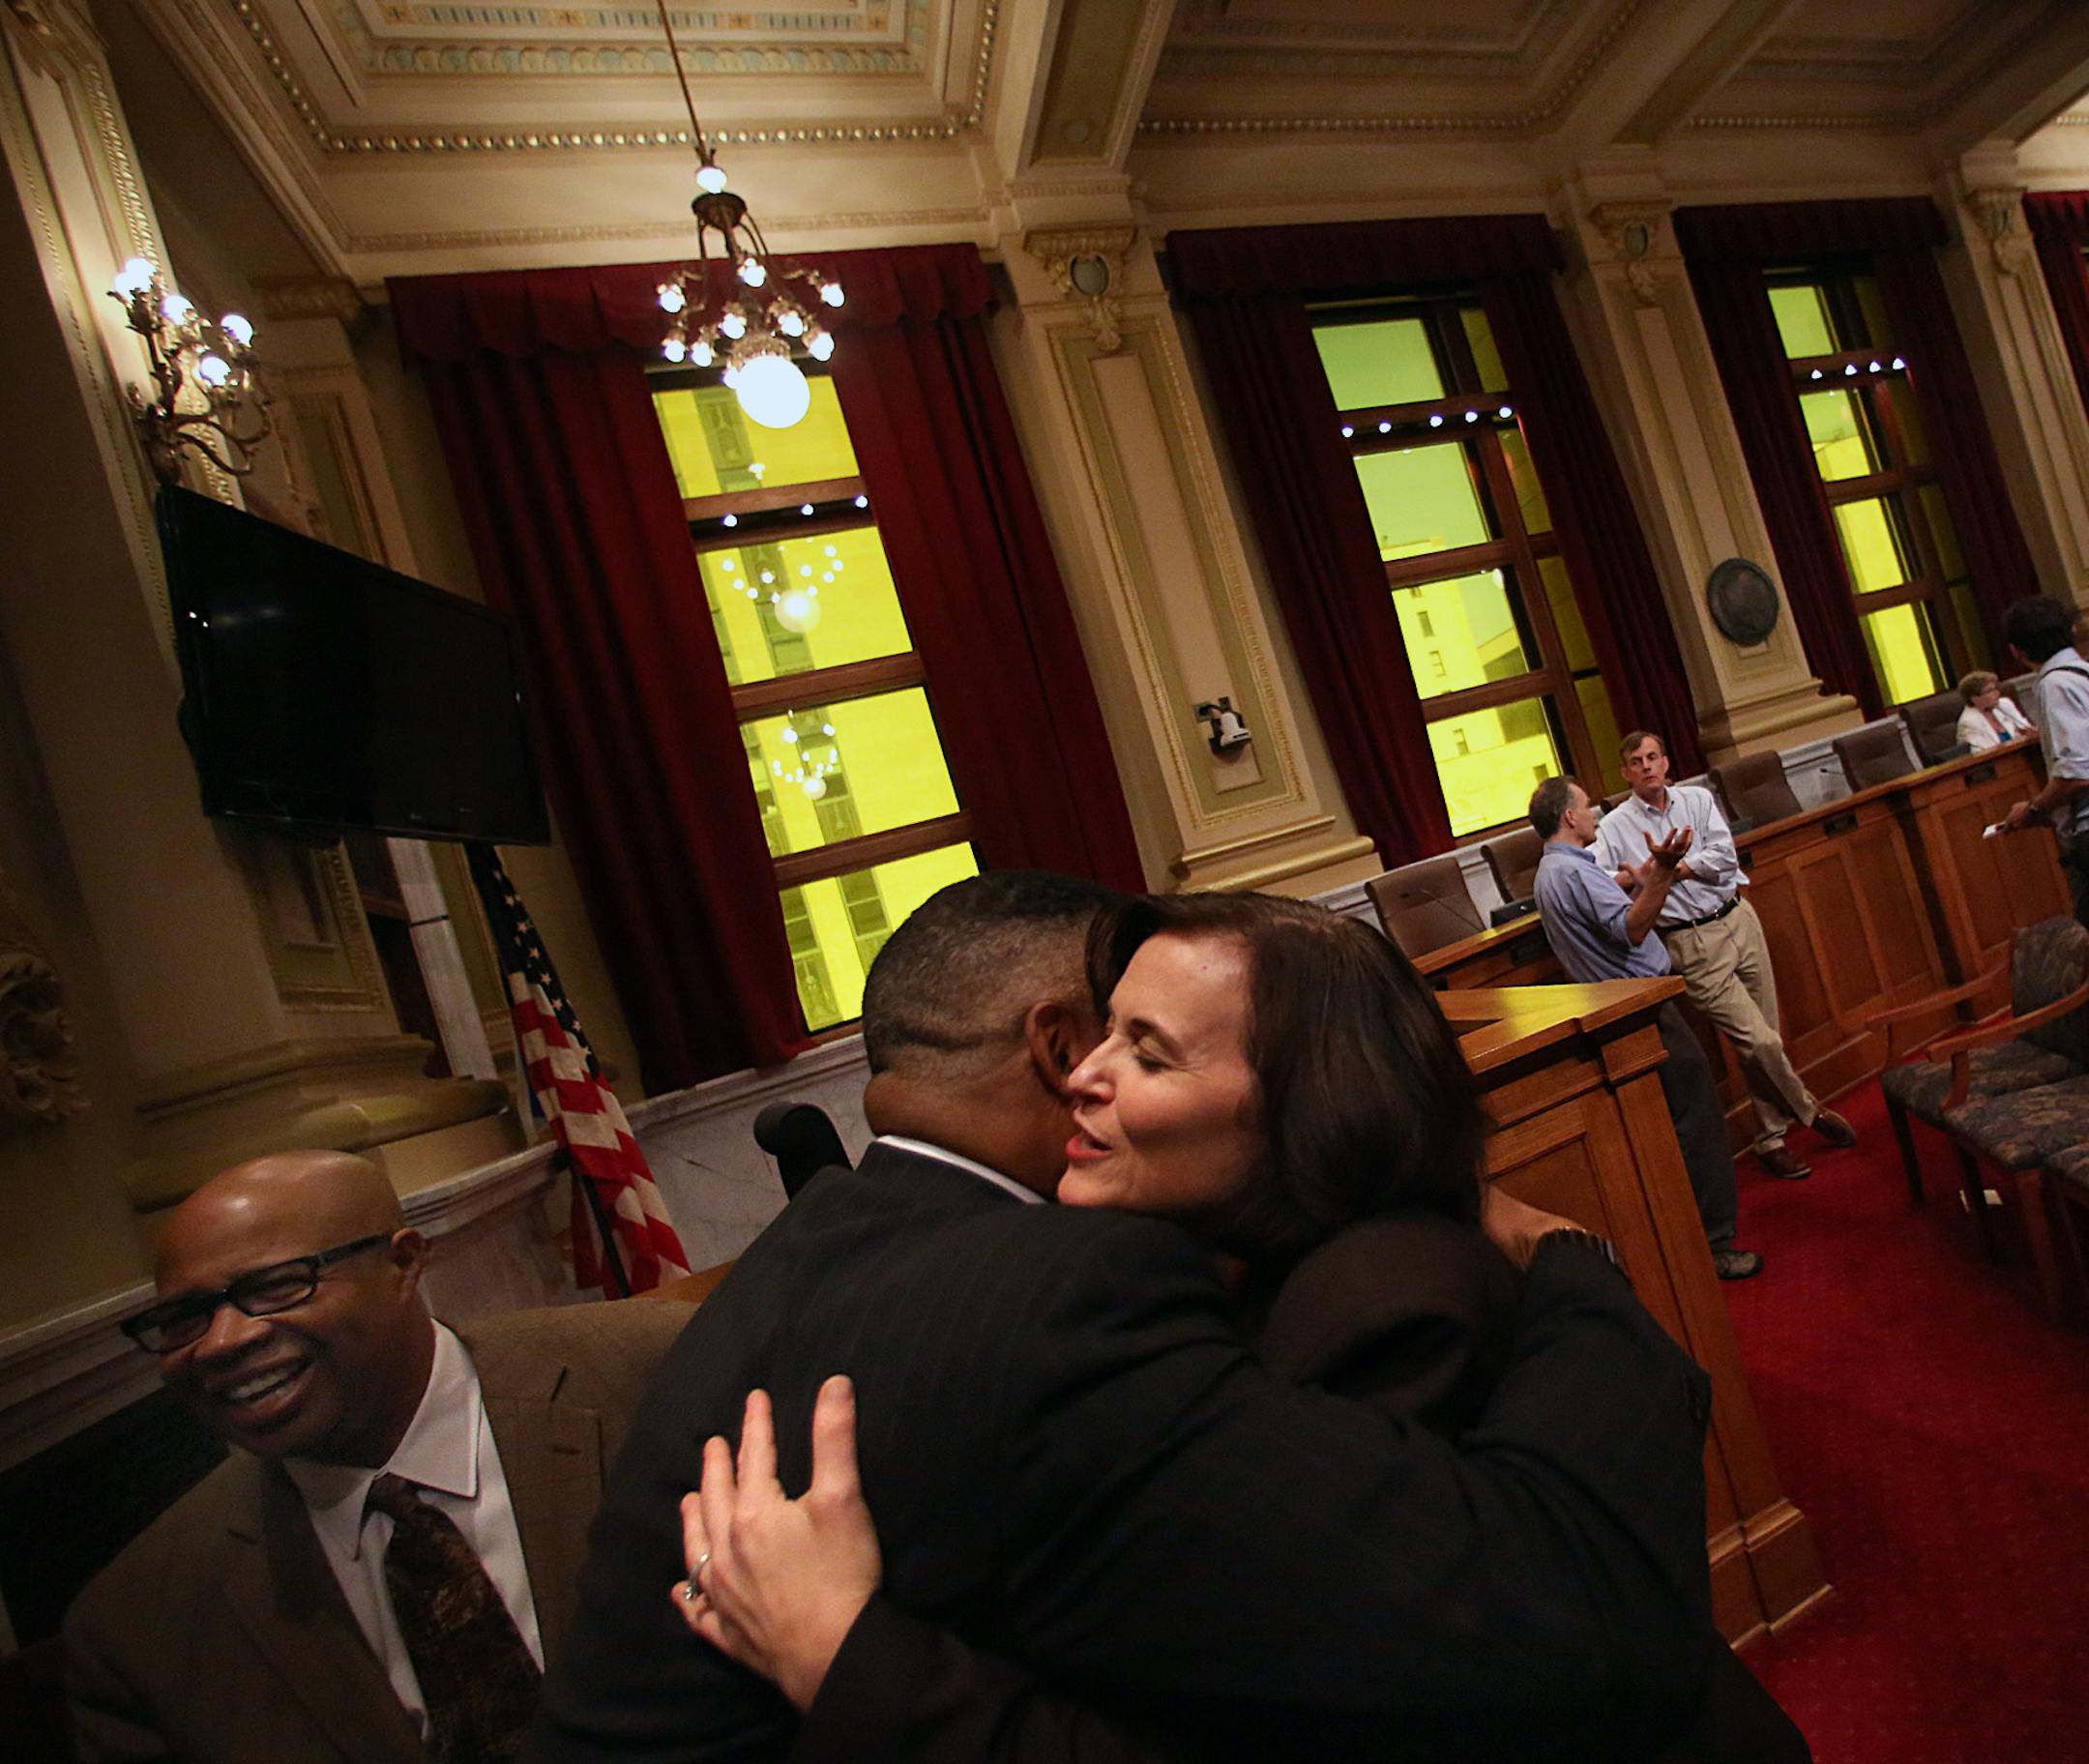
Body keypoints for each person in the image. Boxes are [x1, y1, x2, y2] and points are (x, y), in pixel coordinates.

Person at [530, 871, 1725, 1764]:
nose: (1093, 1074)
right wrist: (844, 1658)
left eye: (1143, 1046)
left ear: (1312, 1104)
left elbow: (1550, 1628)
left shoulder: (1389, 1294)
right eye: (1105, 1033)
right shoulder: (1064, 1296)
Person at [64, 1150, 689, 1764]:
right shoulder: (138, 1624)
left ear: (403, 1262)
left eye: (278, 1286)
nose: (222, 1342)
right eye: (183, 1319)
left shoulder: (652, 1375)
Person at [1528, 777, 1761, 1280]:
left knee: (1672, 1124)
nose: (1594, 812)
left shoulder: (1551, 872)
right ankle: (1715, 1244)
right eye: (1587, 806)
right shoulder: (1578, 872)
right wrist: (1662, 876)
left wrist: (1637, 878)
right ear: (1569, 817)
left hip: (1613, 1009)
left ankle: (1694, 1239)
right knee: (1697, 1122)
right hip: (1644, 1007)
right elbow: (1633, 928)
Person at [1594, 730, 1855, 1180]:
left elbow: (1725, 857)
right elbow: (1597, 881)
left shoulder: (1696, 800)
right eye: (1636, 761)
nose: (1647, 766)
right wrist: (1637, 877)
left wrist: (1671, 871)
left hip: (1738, 918)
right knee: (1760, 1042)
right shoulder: (1614, 826)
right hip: (1689, 942)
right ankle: (1809, 1112)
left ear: (1667, 762)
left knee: (1765, 1039)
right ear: (1626, 773)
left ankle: (1771, 1140)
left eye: (1653, 757)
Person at [1998, 596, 2089, 926]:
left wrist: (2034, 809)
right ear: (2072, 629)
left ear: (2016, 651)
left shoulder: (2056, 684)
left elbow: (2076, 775)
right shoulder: (2083, 673)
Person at [1956, 669, 2035, 752]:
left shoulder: (2004, 704)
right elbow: (1984, 754)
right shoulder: (1969, 722)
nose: (1997, 693)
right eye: (1990, 691)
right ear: (1975, 698)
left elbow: (2026, 728)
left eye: (1996, 689)